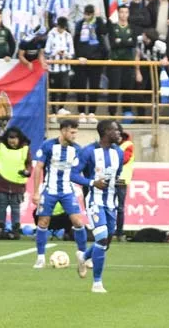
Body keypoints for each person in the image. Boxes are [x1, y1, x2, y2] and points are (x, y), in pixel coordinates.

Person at [30, 118, 90, 272]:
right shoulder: (48, 145)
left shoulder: (76, 149)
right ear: (63, 131)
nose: (74, 135)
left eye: (76, 132)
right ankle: (41, 258)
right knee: (43, 222)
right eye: (72, 132)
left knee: (78, 221)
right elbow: (38, 168)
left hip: (67, 191)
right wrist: (36, 191)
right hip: (49, 190)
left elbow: (79, 171)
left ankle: (83, 257)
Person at [77, 119, 124, 294]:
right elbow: (74, 175)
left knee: (106, 242)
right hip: (95, 202)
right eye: (115, 130)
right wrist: (92, 182)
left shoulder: (118, 152)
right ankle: (97, 282)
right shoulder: (88, 151)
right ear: (105, 132)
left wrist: (118, 183)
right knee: (102, 238)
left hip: (111, 203)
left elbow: (116, 175)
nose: (119, 133)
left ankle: (83, 257)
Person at [0, 126, 31, 238]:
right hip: (2, 182)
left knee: (15, 207)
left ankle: (15, 229)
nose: (12, 141)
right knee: (2, 205)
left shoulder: (25, 148)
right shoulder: (0, 145)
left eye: (15, 138)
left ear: (19, 139)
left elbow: (29, 163)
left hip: (18, 183)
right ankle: (0, 228)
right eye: (10, 138)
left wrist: (27, 171)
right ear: (6, 139)